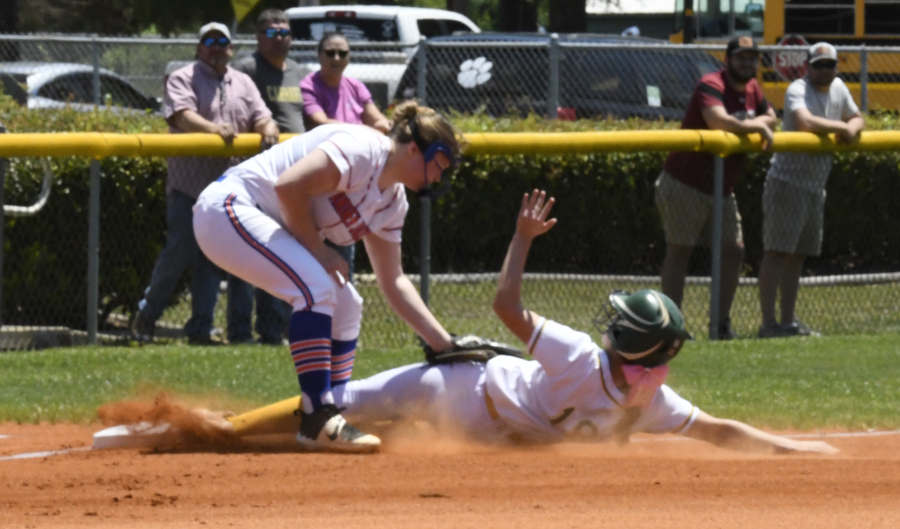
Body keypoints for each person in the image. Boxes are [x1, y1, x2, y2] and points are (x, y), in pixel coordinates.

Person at [321, 190, 838, 455]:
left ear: (629, 340)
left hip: (483, 429)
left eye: (620, 321)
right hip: (456, 391)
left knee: (356, 431)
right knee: (337, 407)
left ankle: (283, 431)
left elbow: (717, 432)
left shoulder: (617, 381)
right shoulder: (635, 390)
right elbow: (718, 432)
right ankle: (239, 432)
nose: (609, 323)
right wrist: (796, 448)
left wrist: (796, 450)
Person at [192, 101, 462, 452]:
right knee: (317, 290)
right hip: (229, 209)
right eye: (438, 166)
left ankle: (333, 405)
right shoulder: (363, 149)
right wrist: (320, 253)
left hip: (262, 224)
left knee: (348, 304)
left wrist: (445, 344)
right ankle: (318, 416)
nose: (439, 177)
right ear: (414, 149)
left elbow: (393, 281)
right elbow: (289, 187)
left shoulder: (393, 203)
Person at [133, 22, 280, 345]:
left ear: (231, 48)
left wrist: (267, 125)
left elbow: (261, 114)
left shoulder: (242, 81)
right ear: (199, 48)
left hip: (232, 190)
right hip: (190, 187)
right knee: (179, 253)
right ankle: (146, 318)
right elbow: (181, 115)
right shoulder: (183, 77)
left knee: (236, 258)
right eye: (209, 41)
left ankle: (223, 332)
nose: (216, 47)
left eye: (222, 42)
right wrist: (214, 130)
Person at [656, 36, 777, 340]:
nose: (747, 63)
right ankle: (671, 327)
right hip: (685, 181)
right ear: (728, 59)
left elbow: (772, 115)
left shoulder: (752, 89)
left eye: (752, 58)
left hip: (722, 187)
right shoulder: (710, 84)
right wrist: (758, 126)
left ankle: (720, 324)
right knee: (680, 251)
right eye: (741, 57)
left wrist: (762, 122)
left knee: (734, 252)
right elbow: (718, 121)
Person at [757, 43, 864, 339]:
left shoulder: (840, 87)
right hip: (787, 182)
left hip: (816, 186)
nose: (825, 70)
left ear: (836, 67)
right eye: (819, 65)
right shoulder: (797, 88)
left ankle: (788, 323)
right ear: (808, 67)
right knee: (777, 253)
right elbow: (804, 122)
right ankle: (768, 324)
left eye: (830, 64)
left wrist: (852, 127)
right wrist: (841, 129)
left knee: (798, 256)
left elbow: (857, 117)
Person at [232, 8, 307, 345]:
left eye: (285, 32)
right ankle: (240, 330)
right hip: (259, 176)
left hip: (295, 175)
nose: (281, 39)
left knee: (285, 252)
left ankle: (275, 329)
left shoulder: (298, 71)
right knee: (250, 255)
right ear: (260, 37)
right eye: (273, 33)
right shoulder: (247, 69)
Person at [301, 31, 392, 281]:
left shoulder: (355, 86)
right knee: (313, 262)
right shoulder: (309, 85)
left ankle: (342, 317)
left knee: (344, 261)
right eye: (330, 52)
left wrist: (384, 124)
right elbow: (321, 122)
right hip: (319, 184)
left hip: (351, 184)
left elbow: (377, 118)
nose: (337, 58)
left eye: (343, 53)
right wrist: (366, 130)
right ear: (319, 56)